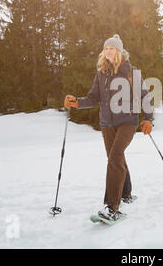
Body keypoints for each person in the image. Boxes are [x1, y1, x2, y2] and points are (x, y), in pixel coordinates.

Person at [64, 34, 154, 221]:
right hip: (107, 124)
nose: (109, 51)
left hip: (128, 121)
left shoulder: (131, 71)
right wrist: (76, 103)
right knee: (116, 157)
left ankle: (112, 206)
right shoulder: (101, 74)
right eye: (106, 48)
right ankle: (126, 193)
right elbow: (92, 98)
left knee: (114, 157)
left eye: (112, 48)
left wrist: (148, 119)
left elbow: (145, 95)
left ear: (120, 51)